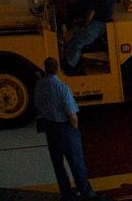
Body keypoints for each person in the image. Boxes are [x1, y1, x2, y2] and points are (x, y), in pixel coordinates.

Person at [33, 56, 98, 199]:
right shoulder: (62, 88)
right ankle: (86, 192)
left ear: (45, 68)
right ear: (57, 69)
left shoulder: (39, 85)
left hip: (49, 126)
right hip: (65, 128)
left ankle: (66, 193)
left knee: (58, 163)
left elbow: (37, 105)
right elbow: (72, 115)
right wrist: (74, 128)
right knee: (76, 162)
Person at [63, 0, 116, 72]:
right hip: (106, 21)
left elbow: (91, 11)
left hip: (98, 24)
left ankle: (70, 66)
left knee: (77, 41)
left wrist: (84, 24)